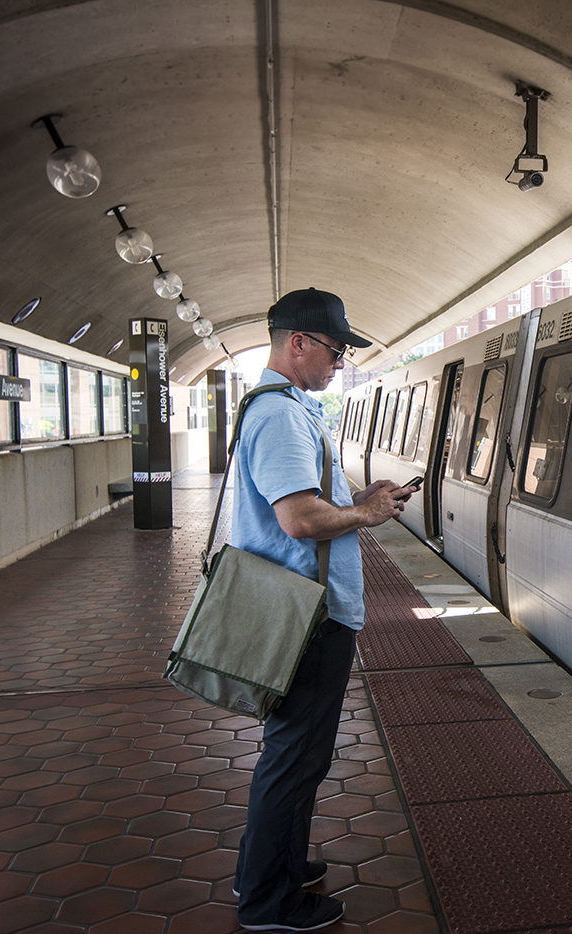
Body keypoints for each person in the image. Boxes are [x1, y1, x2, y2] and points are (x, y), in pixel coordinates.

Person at [231, 287, 419, 931]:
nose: (340, 363)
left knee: (293, 752)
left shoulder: (282, 408)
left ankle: (272, 865)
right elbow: (300, 518)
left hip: (298, 605)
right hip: (304, 612)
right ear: (298, 343)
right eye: (335, 350)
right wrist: (365, 513)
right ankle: (269, 902)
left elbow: (312, 500)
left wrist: (360, 496)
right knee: (296, 755)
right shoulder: (281, 414)